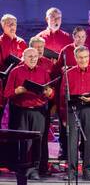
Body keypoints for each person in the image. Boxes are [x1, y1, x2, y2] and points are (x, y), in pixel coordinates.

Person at [4, 47, 54, 180]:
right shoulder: (15, 72)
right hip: (21, 112)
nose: (33, 59)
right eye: (30, 56)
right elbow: (6, 93)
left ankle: (34, 169)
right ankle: (22, 168)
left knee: (38, 141)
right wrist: (17, 91)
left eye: (35, 56)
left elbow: (51, 93)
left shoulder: (43, 72)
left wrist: (49, 93)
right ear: (23, 58)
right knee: (23, 142)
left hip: (38, 112)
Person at [60, 45, 90, 181]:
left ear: (89, 57)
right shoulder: (69, 73)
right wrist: (63, 116)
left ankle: (87, 171)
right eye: (80, 58)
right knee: (72, 141)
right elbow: (62, 95)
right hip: (73, 109)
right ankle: (72, 171)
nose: (83, 60)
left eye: (85, 57)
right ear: (75, 58)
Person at [29, 36, 54, 176]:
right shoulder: (23, 63)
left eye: (41, 47)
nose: (39, 50)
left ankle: (43, 167)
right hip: (26, 105)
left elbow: (55, 85)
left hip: (44, 105)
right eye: (36, 47)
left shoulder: (49, 64)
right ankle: (28, 167)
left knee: (43, 137)